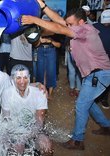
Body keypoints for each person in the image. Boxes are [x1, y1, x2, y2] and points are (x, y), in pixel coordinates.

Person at [22, 0, 110, 150]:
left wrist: (33, 19)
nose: (67, 26)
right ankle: (107, 126)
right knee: (89, 103)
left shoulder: (85, 29)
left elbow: (58, 28)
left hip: (99, 75)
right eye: (67, 24)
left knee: (81, 105)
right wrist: (43, 6)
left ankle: (78, 140)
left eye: (70, 24)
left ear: (81, 22)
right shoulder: (78, 26)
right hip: (93, 75)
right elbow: (59, 21)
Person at [1, 64, 53, 155]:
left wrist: (24, 139)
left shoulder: (40, 93)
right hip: (14, 131)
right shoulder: (7, 94)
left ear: (29, 78)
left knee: (46, 146)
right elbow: (6, 122)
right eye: (18, 78)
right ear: (13, 79)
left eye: (25, 77)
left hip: (33, 131)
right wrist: (13, 141)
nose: (22, 81)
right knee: (6, 147)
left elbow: (39, 124)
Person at [93, 9, 110, 109]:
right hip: (97, 59)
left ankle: (102, 99)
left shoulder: (94, 26)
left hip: (105, 60)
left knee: (104, 80)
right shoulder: (94, 27)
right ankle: (97, 98)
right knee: (95, 79)